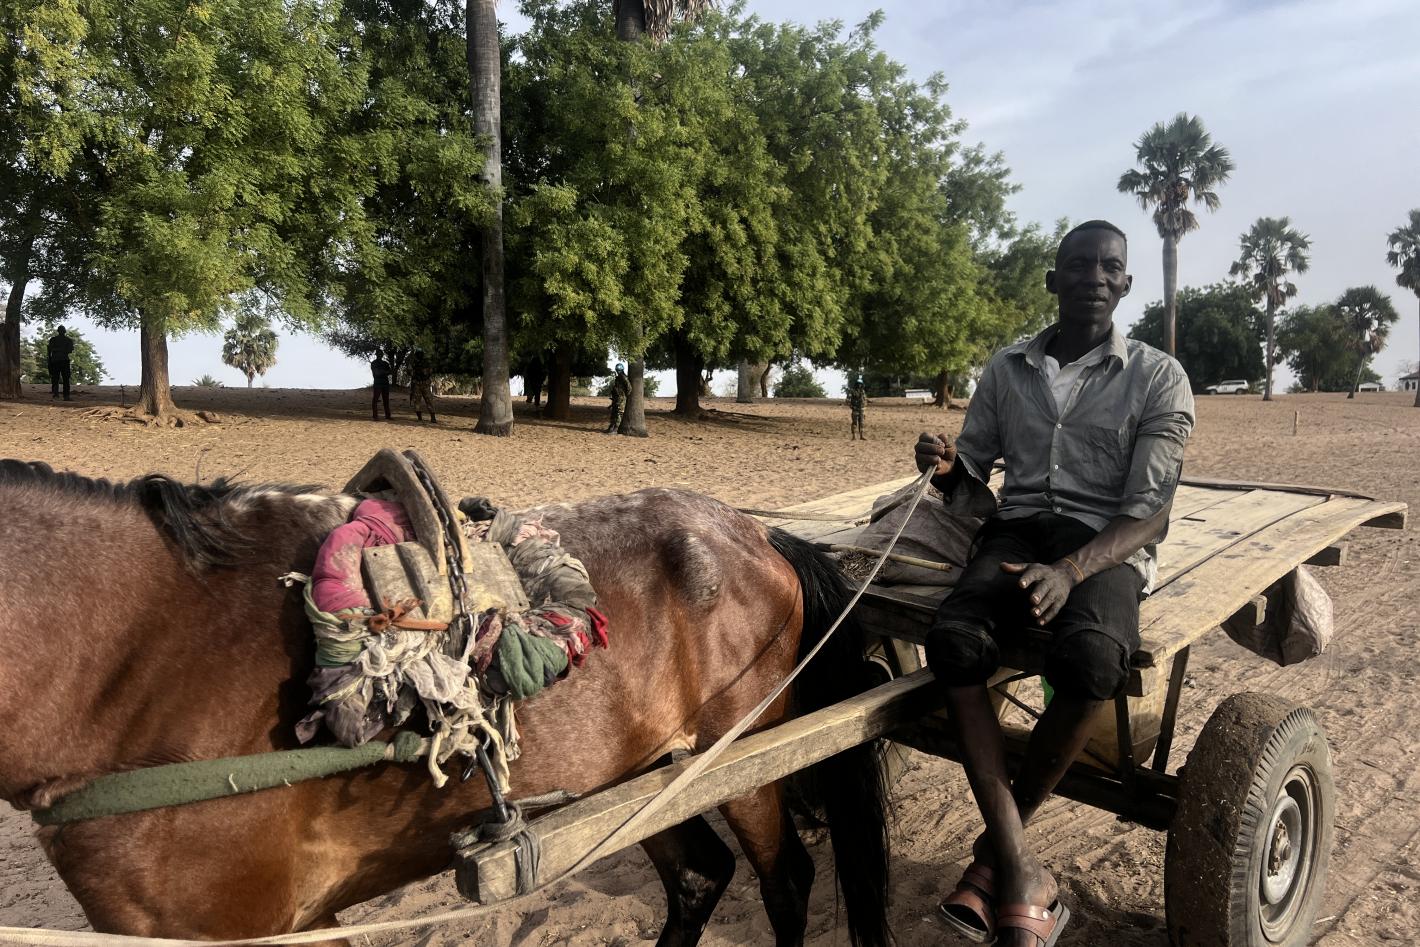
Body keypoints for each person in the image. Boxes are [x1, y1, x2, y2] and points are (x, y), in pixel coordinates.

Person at [912, 220, 1194, 947]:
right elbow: (975, 484)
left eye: (1109, 266)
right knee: (953, 641)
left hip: (1103, 543)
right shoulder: (1006, 370)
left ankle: (991, 861)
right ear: (1052, 281)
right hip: (1019, 529)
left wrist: (1071, 571)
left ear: (1126, 283)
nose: (1093, 276)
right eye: (1078, 265)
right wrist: (948, 470)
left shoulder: (1158, 377)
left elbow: (1149, 513)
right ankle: (1019, 867)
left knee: (1093, 661)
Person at [47, 327, 75, 401]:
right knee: (65, 379)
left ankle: (56, 394)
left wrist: (50, 358)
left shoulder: (53, 340)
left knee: (56, 378)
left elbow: (50, 350)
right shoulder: (68, 340)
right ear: (65, 331)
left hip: (56, 360)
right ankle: (65, 395)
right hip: (63, 360)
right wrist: (62, 350)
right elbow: (69, 350)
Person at [409, 352, 438, 423]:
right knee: (417, 401)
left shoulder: (426, 362)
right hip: (417, 384)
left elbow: (430, 371)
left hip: (425, 383)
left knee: (429, 400)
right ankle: (420, 418)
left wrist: (424, 372)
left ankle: (432, 417)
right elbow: (410, 372)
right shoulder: (414, 363)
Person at [605, 362, 630, 434]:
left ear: (622, 370)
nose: (618, 371)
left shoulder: (624, 378)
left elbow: (629, 388)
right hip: (616, 398)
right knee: (613, 413)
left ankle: (615, 429)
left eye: (619, 370)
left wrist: (623, 395)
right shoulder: (618, 378)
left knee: (619, 414)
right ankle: (611, 428)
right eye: (617, 370)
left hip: (621, 399)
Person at [370, 349, 392, 421]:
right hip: (378, 383)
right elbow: (377, 373)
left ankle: (387, 416)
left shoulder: (385, 363)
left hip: (384, 383)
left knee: (386, 400)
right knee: (375, 399)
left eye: (381, 354)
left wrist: (382, 372)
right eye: (379, 354)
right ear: (376, 355)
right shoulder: (374, 363)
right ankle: (375, 416)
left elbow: (390, 372)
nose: (380, 355)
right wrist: (385, 372)